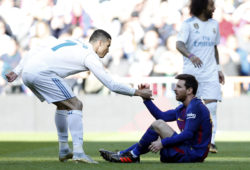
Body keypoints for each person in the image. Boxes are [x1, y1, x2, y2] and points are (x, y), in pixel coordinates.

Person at [5, 29, 152, 164]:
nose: (108, 51)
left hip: (28, 71)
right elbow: (111, 84)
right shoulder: (90, 56)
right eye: (107, 46)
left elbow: (36, 50)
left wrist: (17, 70)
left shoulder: (74, 41)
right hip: (42, 72)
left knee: (63, 105)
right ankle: (78, 152)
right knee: (76, 105)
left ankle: (64, 149)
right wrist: (138, 92)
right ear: (99, 43)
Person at [99, 74, 212, 163]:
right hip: (185, 150)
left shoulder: (195, 107)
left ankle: (131, 155)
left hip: (193, 154)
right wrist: (145, 99)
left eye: (179, 86)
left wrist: (163, 142)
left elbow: (188, 134)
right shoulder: (183, 108)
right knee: (157, 127)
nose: (174, 89)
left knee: (158, 125)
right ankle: (124, 154)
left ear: (189, 91)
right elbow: (161, 116)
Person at [176, 0, 225, 153]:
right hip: (192, 73)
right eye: (211, 5)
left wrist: (218, 69)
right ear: (202, 6)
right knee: (188, 108)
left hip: (210, 73)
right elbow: (179, 44)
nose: (214, 7)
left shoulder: (214, 24)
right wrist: (191, 56)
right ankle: (185, 138)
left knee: (212, 107)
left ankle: (211, 142)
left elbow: (214, 47)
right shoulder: (188, 24)